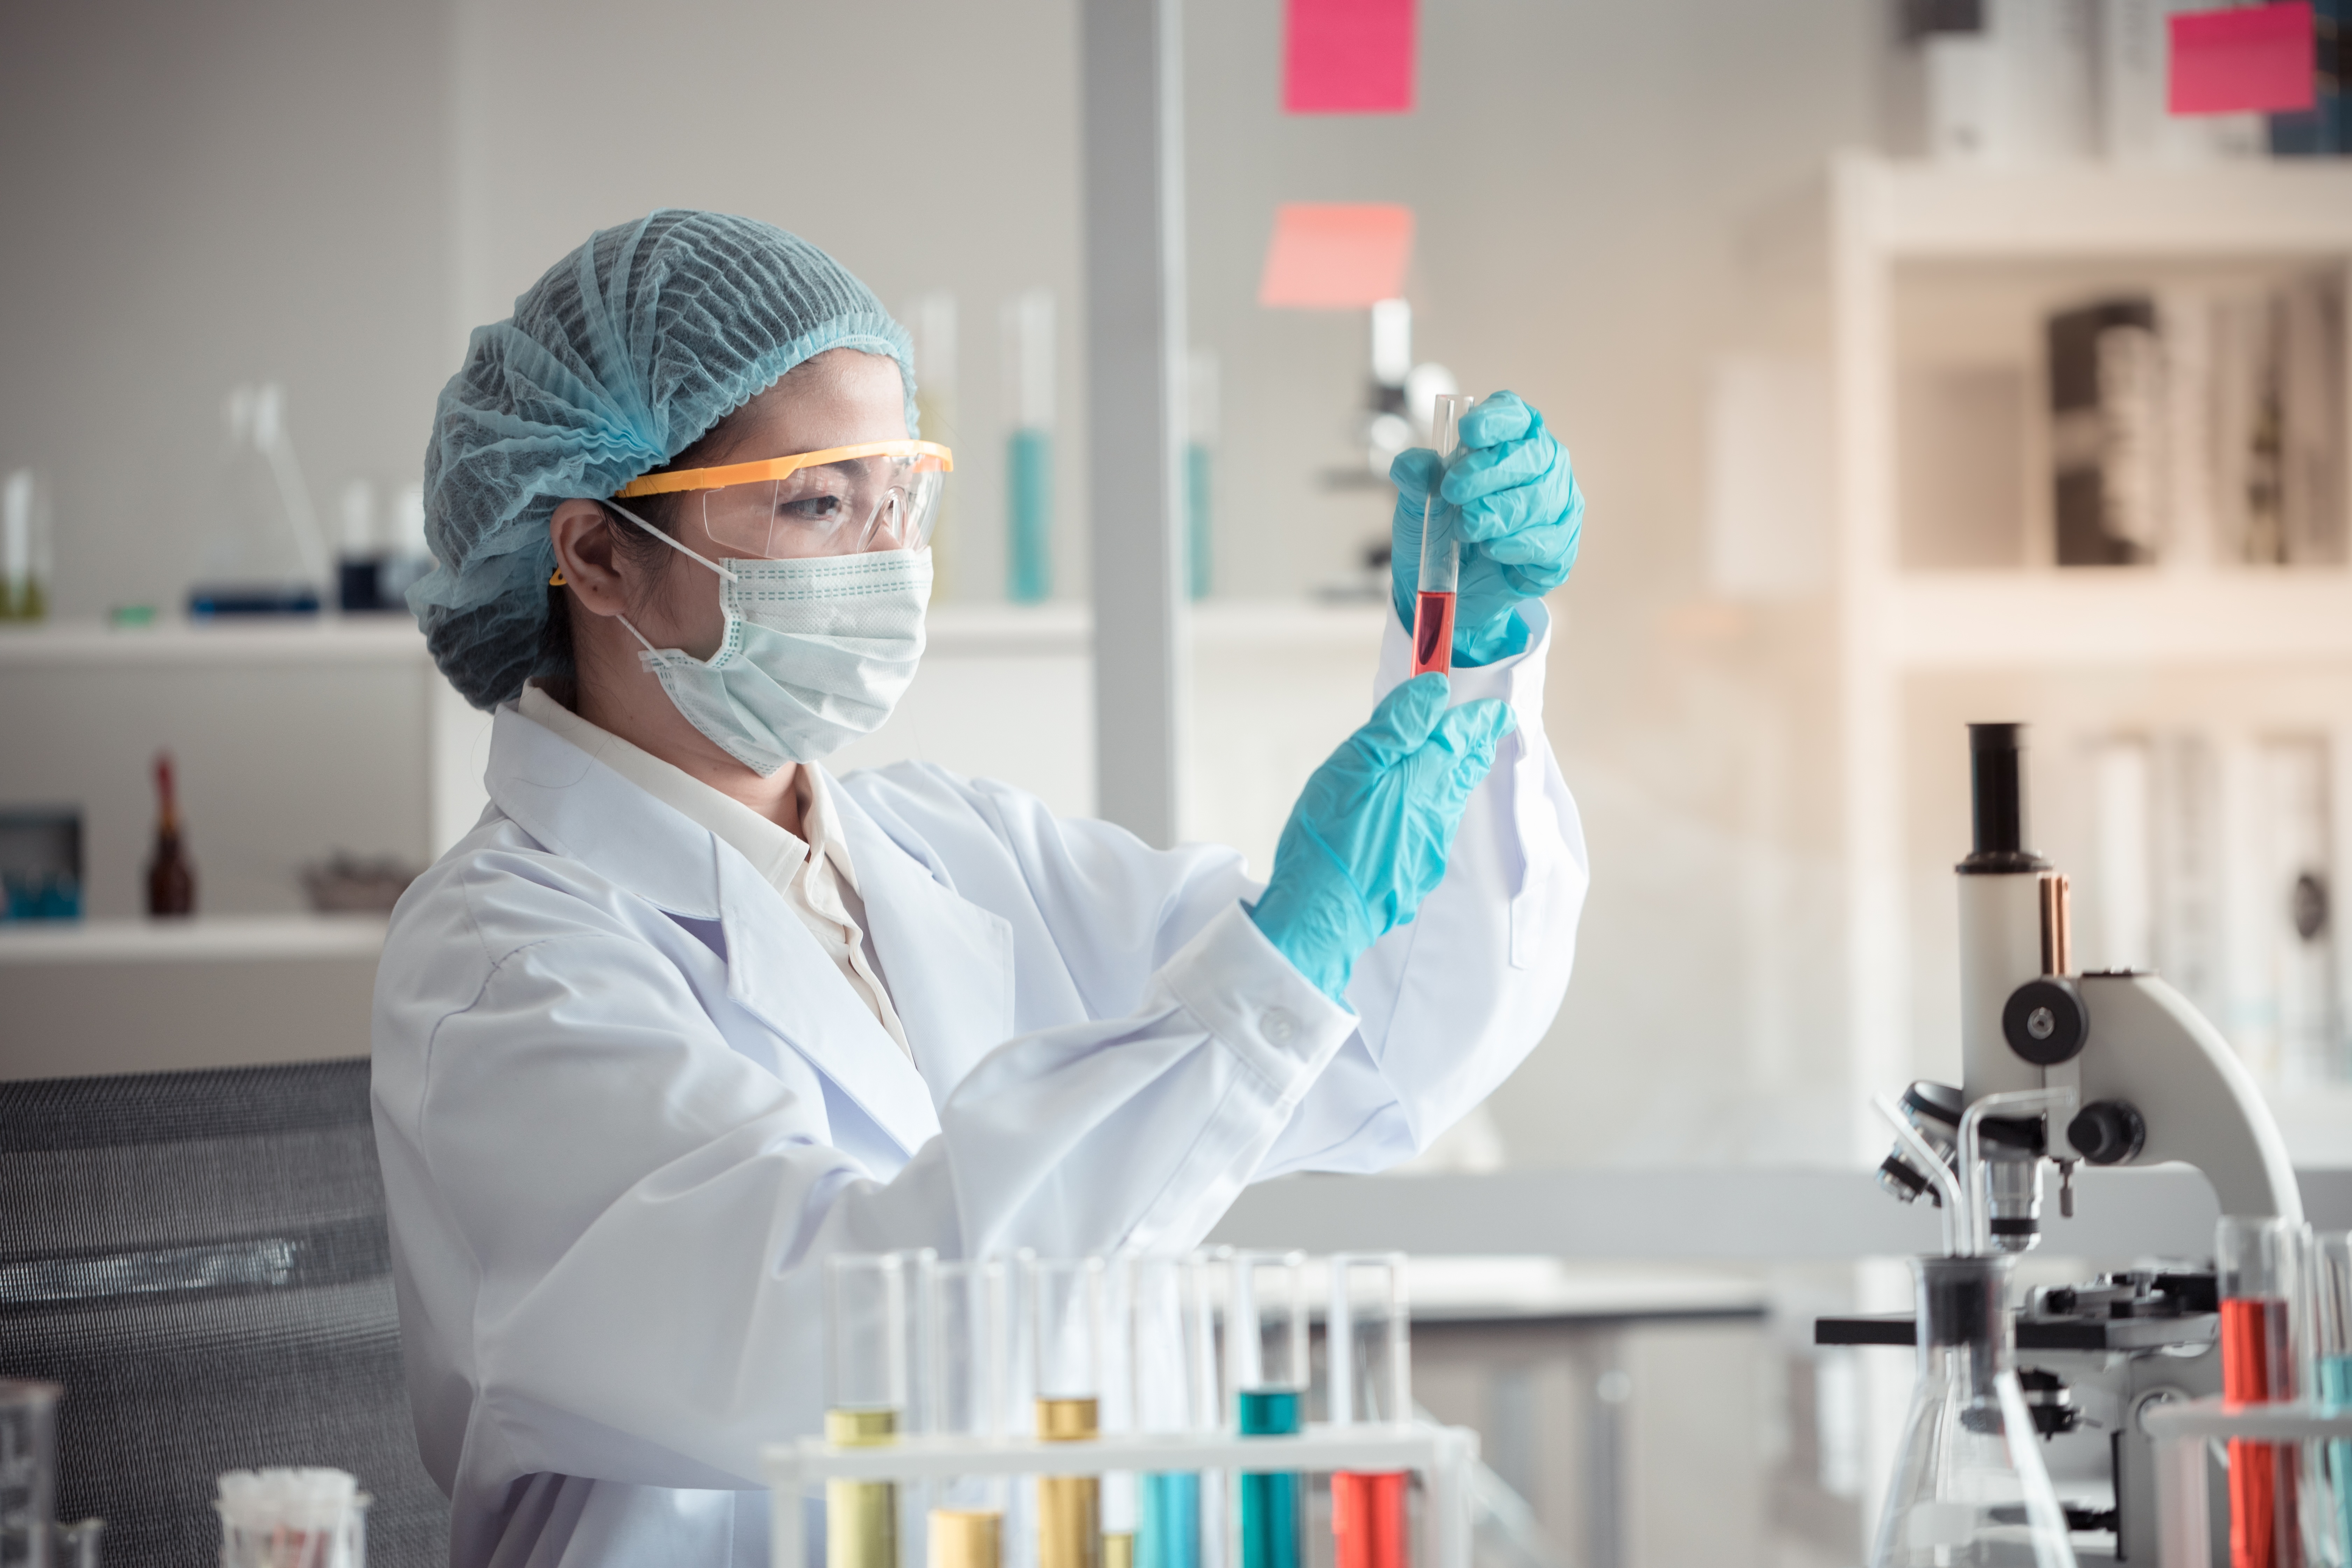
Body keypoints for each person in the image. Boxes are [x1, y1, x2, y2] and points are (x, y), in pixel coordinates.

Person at [373, 209, 1589, 1568]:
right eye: (819, 502)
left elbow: (1381, 1054)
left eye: (902, 499)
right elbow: (844, 1346)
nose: (889, 561)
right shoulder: (497, 960)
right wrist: (1270, 970)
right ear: (597, 555)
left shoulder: (949, 845)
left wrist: (1467, 668)